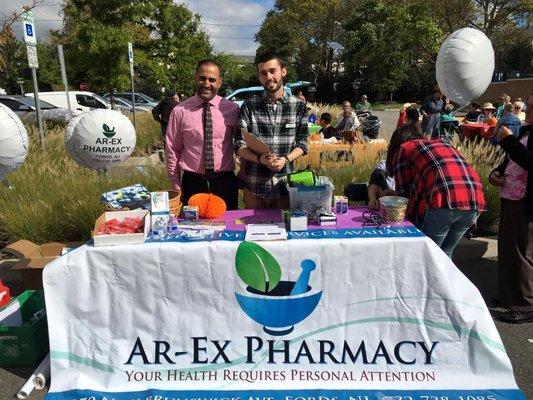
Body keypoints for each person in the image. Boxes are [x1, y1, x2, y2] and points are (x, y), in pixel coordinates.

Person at [387, 125, 486, 258]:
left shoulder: (404, 148)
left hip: (443, 201)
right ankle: (447, 279)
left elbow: (402, 197)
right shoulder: (442, 143)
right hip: (475, 200)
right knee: (445, 253)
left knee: (428, 255)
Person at [235, 50, 308, 209]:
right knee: (252, 231)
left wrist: (286, 159)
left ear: (283, 71)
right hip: (255, 187)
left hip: (285, 187)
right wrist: (259, 159)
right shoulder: (249, 106)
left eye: (272, 71)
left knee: (284, 231)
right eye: (263, 73)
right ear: (259, 76)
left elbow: (303, 144)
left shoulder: (298, 106)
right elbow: (239, 145)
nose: (268, 77)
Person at [165, 59, 240, 209]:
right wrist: (175, 184)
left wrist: (242, 174)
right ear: (195, 78)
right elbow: (172, 149)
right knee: (194, 229)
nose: (206, 83)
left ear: (219, 82)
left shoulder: (232, 110)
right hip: (193, 183)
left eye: (212, 79)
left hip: (224, 183)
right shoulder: (180, 112)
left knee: (228, 228)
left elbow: (242, 144)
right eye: (202, 78)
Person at [489, 94, 532, 323]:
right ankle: (510, 296)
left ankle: (526, 304)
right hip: (510, 196)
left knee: (522, 252)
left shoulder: (521, 135)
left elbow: (528, 161)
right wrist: (496, 173)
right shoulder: (526, 132)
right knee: (507, 248)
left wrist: (508, 141)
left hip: (525, 200)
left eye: (531, 107)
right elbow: (511, 161)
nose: (527, 110)